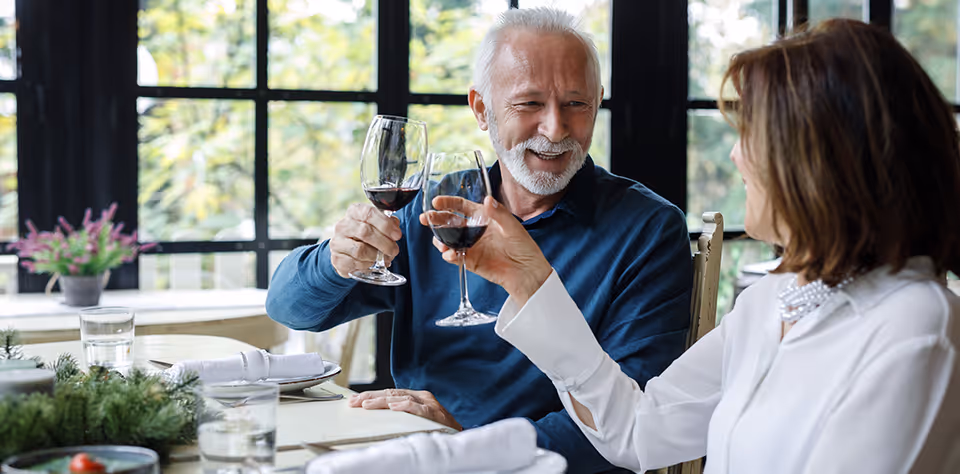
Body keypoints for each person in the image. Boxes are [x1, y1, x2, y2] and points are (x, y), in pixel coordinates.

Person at [430, 19, 960, 473]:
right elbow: (636, 433)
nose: (734, 157)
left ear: (825, 162)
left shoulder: (918, 328)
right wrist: (530, 280)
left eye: (751, 133)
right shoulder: (771, 301)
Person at [265, 7, 693, 473]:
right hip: (414, 454)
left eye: (576, 104)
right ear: (481, 109)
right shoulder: (434, 205)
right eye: (529, 104)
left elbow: (632, 421)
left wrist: (471, 444)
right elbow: (290, 309)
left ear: (598, 102)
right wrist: (335, 259)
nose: (555, 128)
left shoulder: (647, 229)